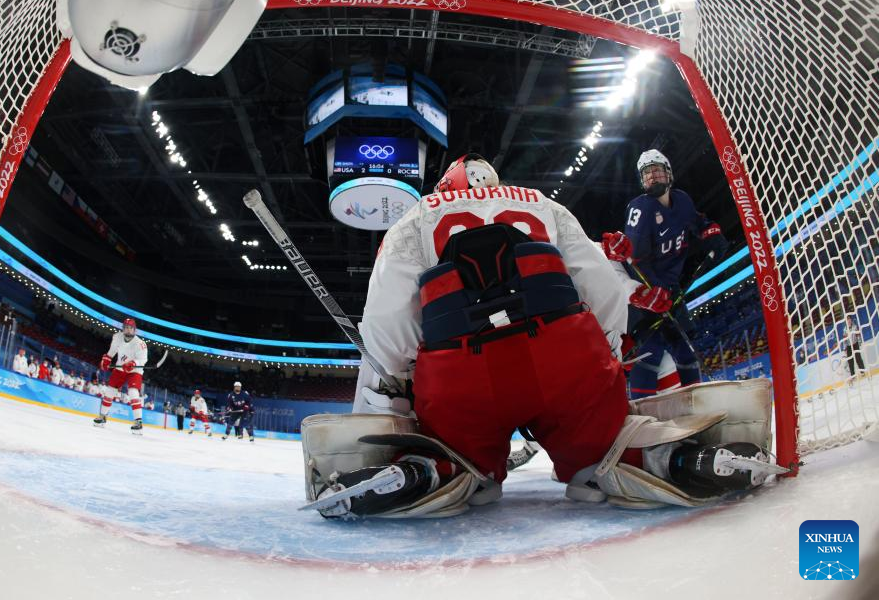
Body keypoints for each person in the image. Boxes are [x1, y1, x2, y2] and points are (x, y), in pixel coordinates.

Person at [305, 152, 779, 519]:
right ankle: (674, 461)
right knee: (601, 453)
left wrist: (398, 393)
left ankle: (427, 472)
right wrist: (606, 356)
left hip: (463, 371)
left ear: (446, 186)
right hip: (563, 358)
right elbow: (604, 286)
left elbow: (386, 322)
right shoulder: (543, 204)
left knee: (470, 471)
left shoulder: (415, 218)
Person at [601, 149, 726, 399]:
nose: (652, 177)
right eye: (646, 174)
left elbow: (697, 221)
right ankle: (643, 406)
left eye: (656, 170)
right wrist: (652, 291)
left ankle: (694, 401)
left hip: (670, 287)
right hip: (644, 291)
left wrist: (709, 231)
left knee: (685, 348)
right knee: (650, 351)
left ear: (669, 173)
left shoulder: (682, 200)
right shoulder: (641, 209)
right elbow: (635, 259)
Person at [92, 318, 148, 434]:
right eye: (126, 327)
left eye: (130, 328)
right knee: (109, 391)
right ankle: (102, 417)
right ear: (123, 328)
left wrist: (133, 363)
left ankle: (138, 422)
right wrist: (107, 359)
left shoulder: (140, 344)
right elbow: (112, 351)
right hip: (120, 368)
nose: (128, 329)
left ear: (134, 330)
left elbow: (143, 360)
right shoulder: (117, 337)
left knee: (133, 393)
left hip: (135, 371)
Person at [844, 315, 865, 380]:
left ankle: (862, 372)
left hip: (855, 344)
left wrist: (859, 342)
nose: (848, 320)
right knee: (850, 361)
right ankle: (853, 376)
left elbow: (858, 335)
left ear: (851, 320)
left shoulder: (855, 326)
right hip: (849, 346)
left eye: (849, 319)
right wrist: (844, 348)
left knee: (858, 358)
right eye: (847, 319)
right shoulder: (845, 329)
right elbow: (844, 340)